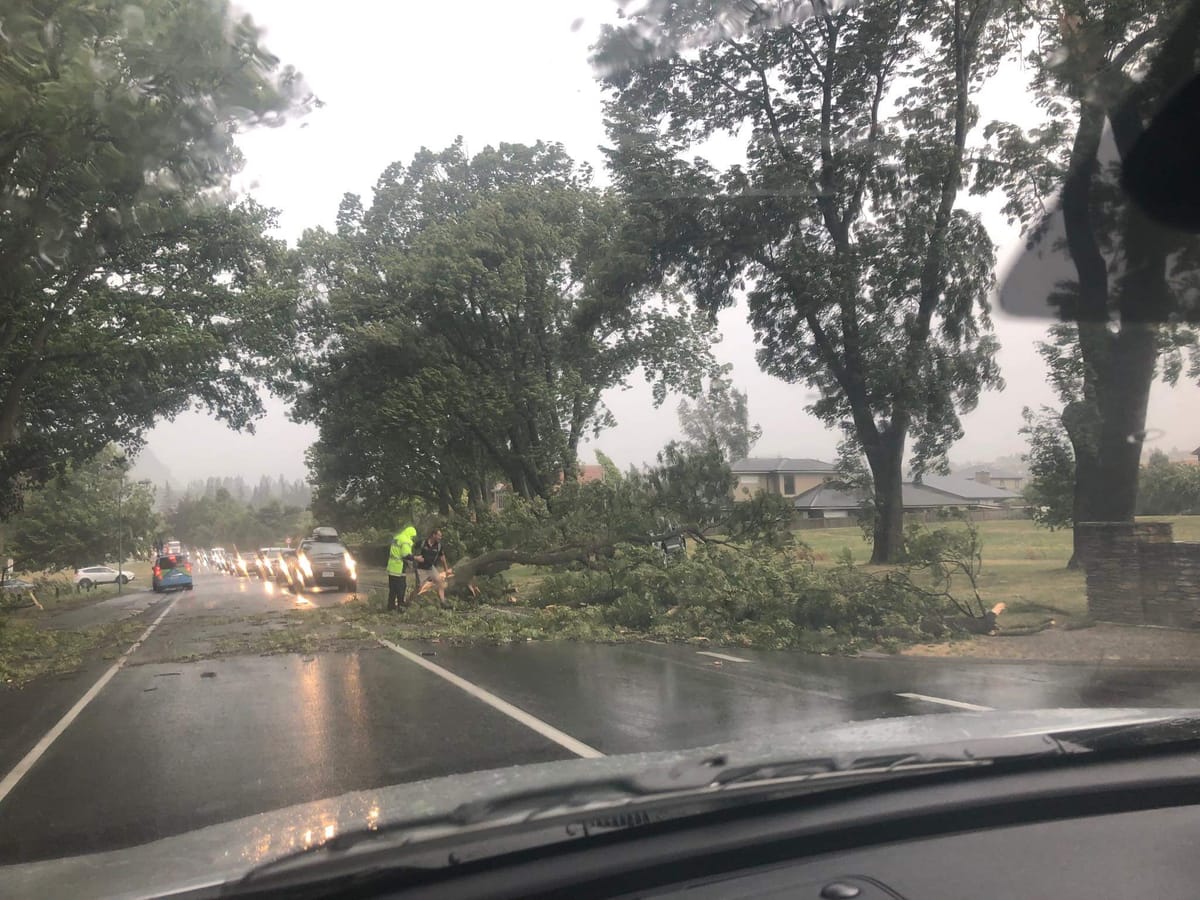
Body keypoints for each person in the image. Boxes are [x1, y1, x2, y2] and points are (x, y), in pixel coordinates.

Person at [386, 525, 417, 611]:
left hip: (391, 567)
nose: (412, 538)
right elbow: (406, 554)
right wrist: (416, 558)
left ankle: (390, 607)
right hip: (398, 568)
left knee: (392, 589)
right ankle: (400, 606)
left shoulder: (397, 538)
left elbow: (397, 552)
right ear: (410, 534)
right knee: (401, 588)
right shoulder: (405, 540)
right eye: (412, 537)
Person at [415, 527, 449, 601]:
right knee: (420, 588)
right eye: (439, 535)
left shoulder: (439, 546)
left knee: (440, 583)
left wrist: (446, 570)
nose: (440, 537)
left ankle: (443, 601)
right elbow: (412, 550)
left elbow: (442, 558)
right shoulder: (423, 542)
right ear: (434, 535)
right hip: (421, 568)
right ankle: (411, 602)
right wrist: (415, 558)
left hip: (431, 568)